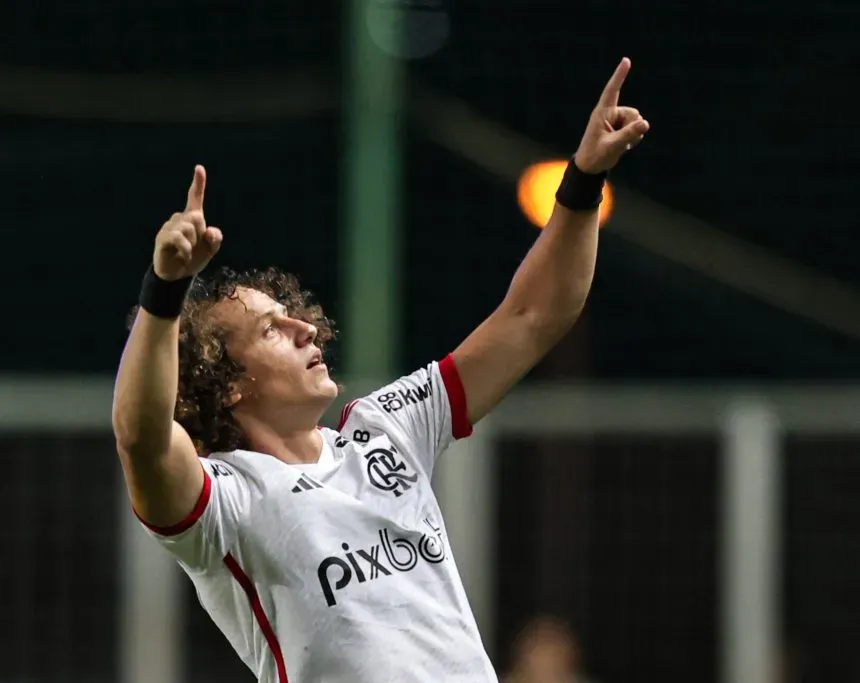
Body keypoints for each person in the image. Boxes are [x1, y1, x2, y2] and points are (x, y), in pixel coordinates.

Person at [112, 58, 649, 683]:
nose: (305, 328)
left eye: (294, 316)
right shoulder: (227, 502)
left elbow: (533, 316)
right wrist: (165, 291)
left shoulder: (387, 427)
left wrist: (583, 180)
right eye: (271, 329)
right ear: (230, 383)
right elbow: (141, 437)